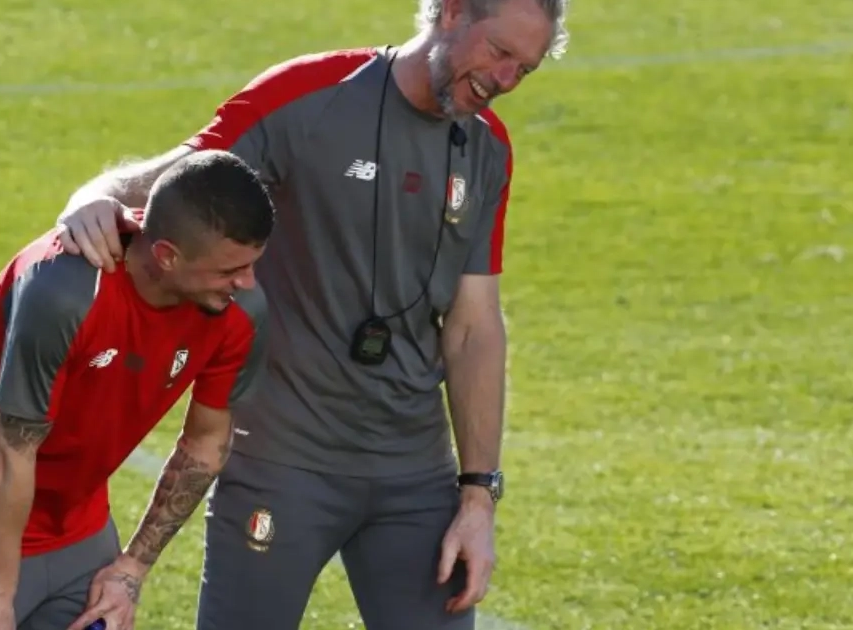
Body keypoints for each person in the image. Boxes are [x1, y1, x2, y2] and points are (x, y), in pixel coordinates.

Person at [55, 0, 570, 628]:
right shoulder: (310, 97)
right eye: (500, 52)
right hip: (280, 464)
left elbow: (473, 328)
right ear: (453, 14)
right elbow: (176, 181)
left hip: (414, 476)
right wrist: (93, 196)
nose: (506, 80)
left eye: (525, 69)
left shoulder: (487, 148)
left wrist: (478, 497)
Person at [0, 149, 276, 630]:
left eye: (252, 264)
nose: (246, 282)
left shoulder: (241, 312)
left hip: (76, 520)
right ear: (166, 256)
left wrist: (132, 568)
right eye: (229, 271)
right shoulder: (65, 291)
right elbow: (13, 450)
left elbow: (205, 443)